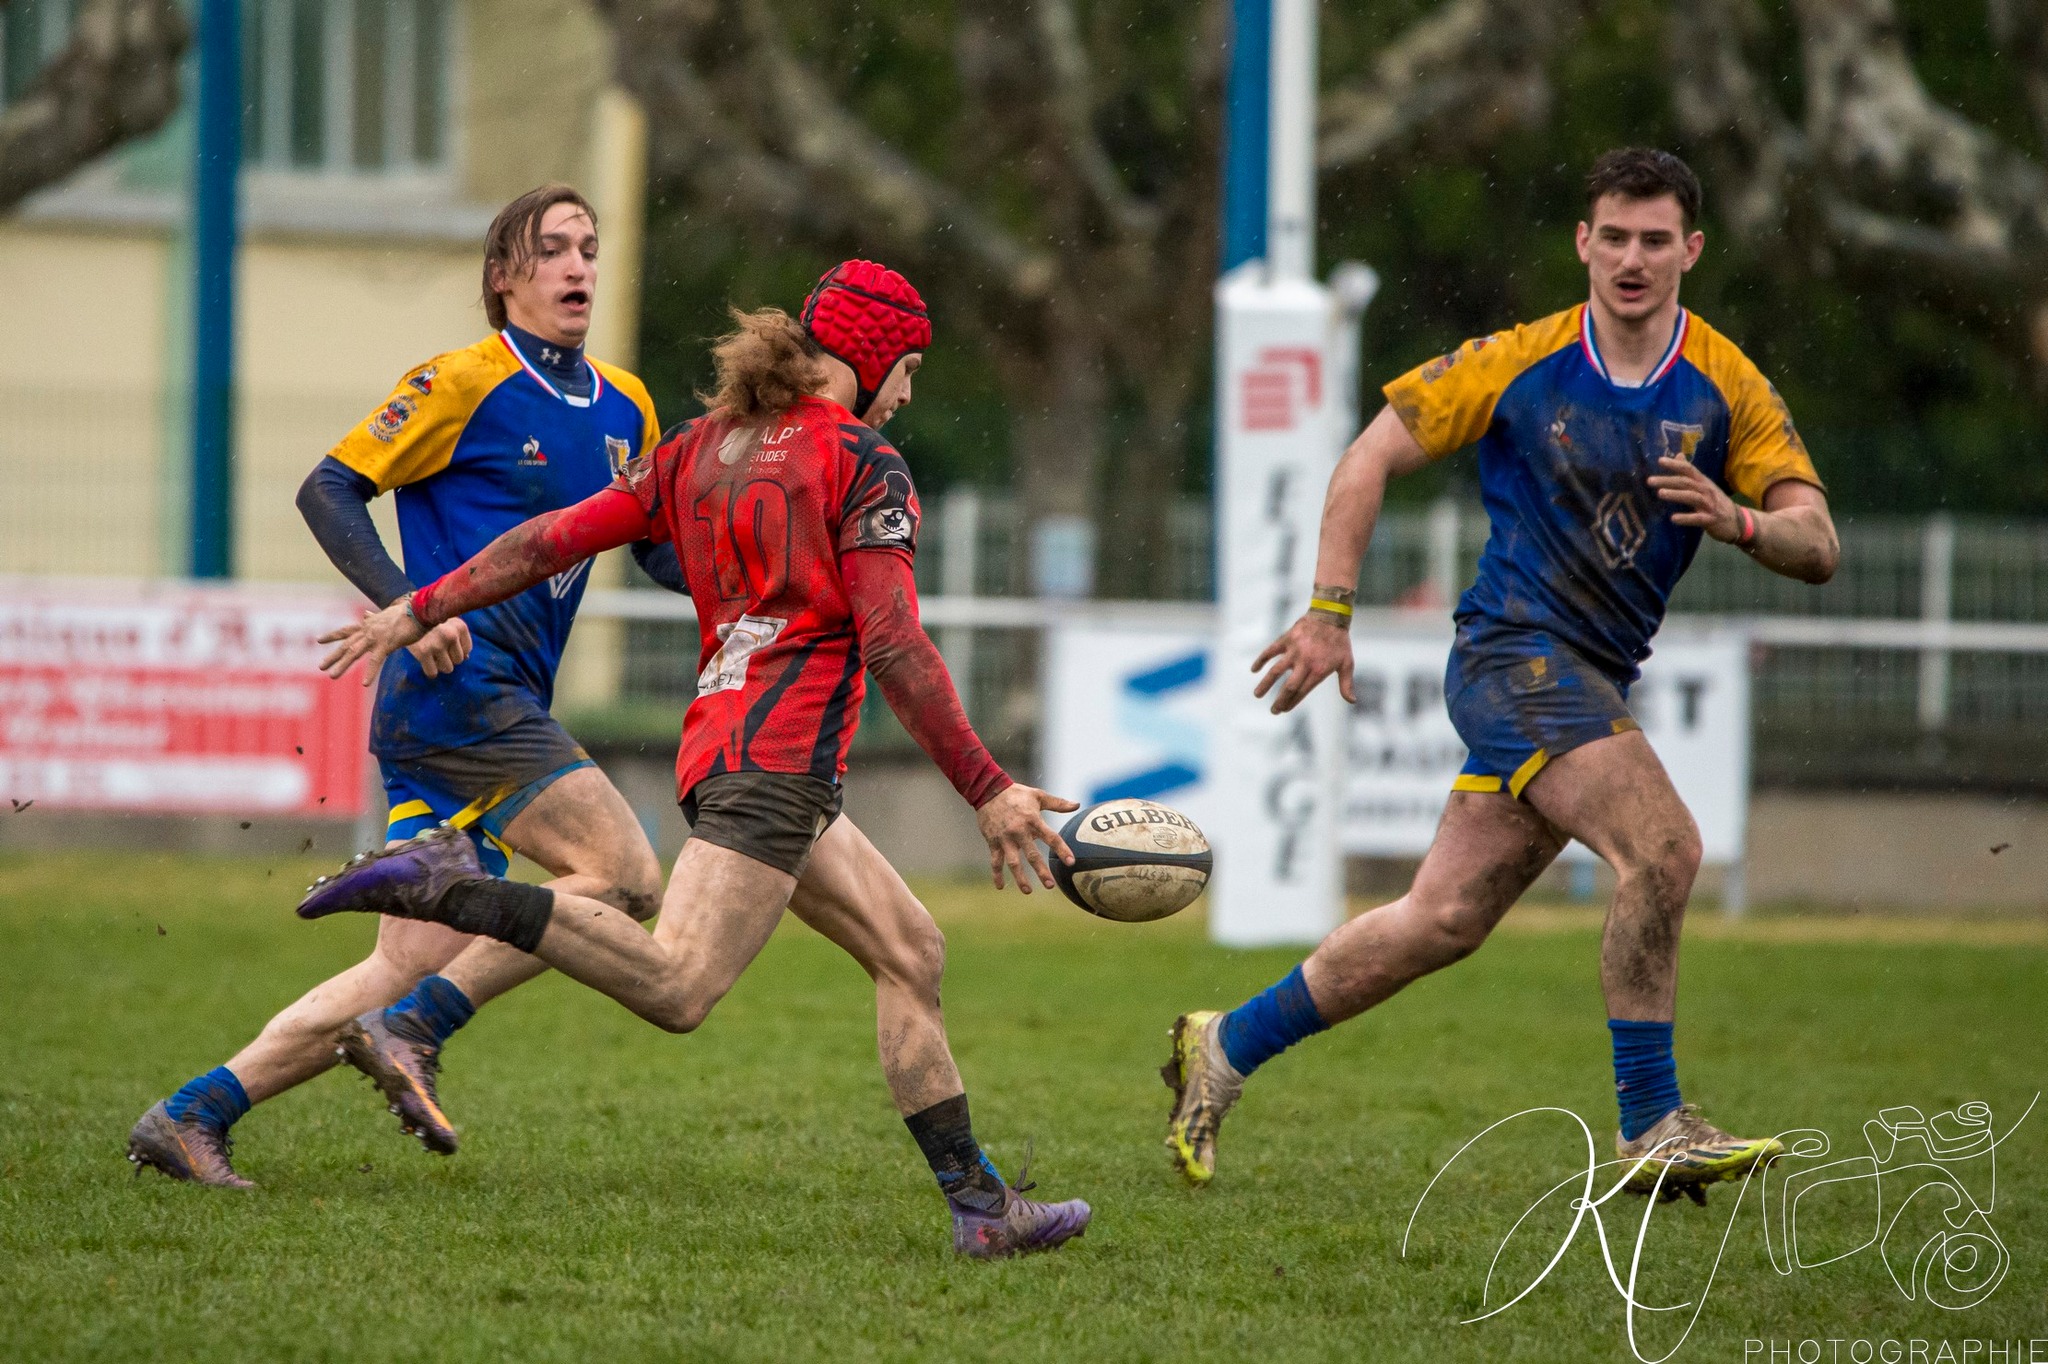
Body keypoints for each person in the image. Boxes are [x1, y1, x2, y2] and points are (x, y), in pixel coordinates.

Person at [298, 261, 1094, 1259]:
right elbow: (894, 643)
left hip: (724, 745)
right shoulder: (861, 461)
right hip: (777, 764)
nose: (907, 393)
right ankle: (456, 886)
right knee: (678, 986)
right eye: (909, 370)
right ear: (873, 353)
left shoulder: (699, 446)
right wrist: (989, 787)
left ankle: (979, 1205)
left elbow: (547, 538)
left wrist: (420, 602)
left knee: (911, 952)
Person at [1162, 148, 1841, 1200]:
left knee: (1437, 920)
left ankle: (1223, 1044)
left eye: (1652, 239)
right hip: (1508, 656)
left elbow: (1816, 540)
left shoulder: (1726, 383)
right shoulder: (1519, 360)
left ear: (1689, 251)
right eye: (1610, 235)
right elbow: (1366, 456)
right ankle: (1650, 1121)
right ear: (1581, 241)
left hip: (1589, 676)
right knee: (1661, 848)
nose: (1629, 257)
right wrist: (1326, 612)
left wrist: (1742, 520)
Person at [128, 185, 678, 1188]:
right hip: (457, 694)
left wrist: (766, 559)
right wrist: (413, 604)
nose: (577, 267)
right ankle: (418, 1029)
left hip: (494, 706)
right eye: (551, 249)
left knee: (404, 958)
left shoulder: (626, 403)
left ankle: (193, 1110)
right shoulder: (461, 380)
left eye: (589, 248)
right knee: (625, 877)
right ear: (503, 275)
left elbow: (655, 550)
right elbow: (327, 486)